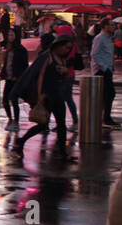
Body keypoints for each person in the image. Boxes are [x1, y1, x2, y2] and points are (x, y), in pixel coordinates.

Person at [13, 33, 76, 161]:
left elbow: (61, 76)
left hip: (57, 94)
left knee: (61, 124)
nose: (67, 50)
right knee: (42, 124)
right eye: (65, 47)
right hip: (47, 95)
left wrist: (64, 71)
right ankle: (21, 141)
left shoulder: (61, 58)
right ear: (58, 45)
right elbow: (39, 76)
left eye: (69, 48)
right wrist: (39, 95)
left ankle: (63, 153)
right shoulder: (47, 57)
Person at [91, 19, 121, 128]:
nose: (114, 27)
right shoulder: (100, 38)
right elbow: (95, 54)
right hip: (101, 71)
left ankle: (105, 117)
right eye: (112, 25)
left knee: (108, 94)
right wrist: (104, 68)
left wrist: (111, 67)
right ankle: (105, 118)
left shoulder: (109, 38)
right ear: (105, 26)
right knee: (109, 94)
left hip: (108, 69)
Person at [2, 25, 29, 129]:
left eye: (12, 35)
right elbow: (7, 63)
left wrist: (18, 76)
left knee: (13, 99)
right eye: (8, 35)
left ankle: (16, 121)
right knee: (5, 99)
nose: (10, 37)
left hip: (16, 79)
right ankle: (10, 118)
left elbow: (24, 66)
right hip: (8, 78)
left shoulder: (21, 50)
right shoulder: (9, 48)